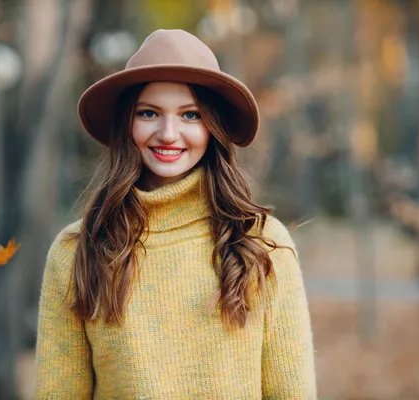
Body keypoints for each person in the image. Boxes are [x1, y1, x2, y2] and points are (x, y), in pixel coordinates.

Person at [34, 29, 316, 399]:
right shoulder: (76, 252)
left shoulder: (263, 243)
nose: (168, 133)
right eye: (148, 113)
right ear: (126, 124)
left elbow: (290, 391)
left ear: (213, 128)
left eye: (190, 115)